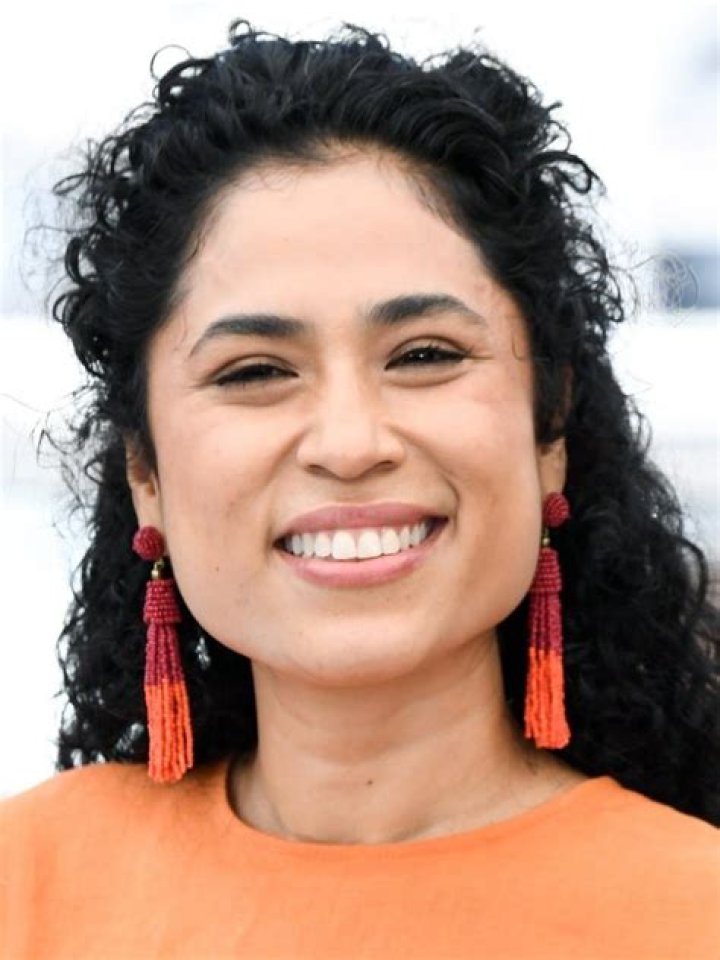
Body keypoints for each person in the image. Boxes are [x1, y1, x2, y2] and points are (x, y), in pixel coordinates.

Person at [1, 17, 718, 959]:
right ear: (147, 473)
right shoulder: (27, 884)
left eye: (424, 355)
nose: (348, 444)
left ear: (549, 429)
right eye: (256, 371)